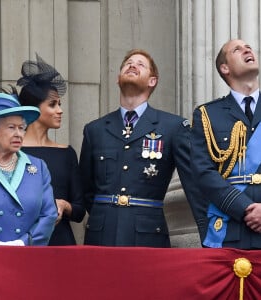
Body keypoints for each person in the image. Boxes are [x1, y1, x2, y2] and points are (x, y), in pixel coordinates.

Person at [79, 49, 196, 247]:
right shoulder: (95, 129)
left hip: (147, 234)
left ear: (152, 81)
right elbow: (86, 188)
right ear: (118, 79)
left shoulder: (173, 127)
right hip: (102, 233)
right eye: (128, 64)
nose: (132, 65)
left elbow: (193, 183)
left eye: (140, 65)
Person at [190, 39, 261, 249]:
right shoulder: (207, 114)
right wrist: (246, 208)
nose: (247, 49)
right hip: (231, 228)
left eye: (248, 46)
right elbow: (203, 172)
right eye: (237, 49)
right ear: (225, 68)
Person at [0, 92, 57, 246]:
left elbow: (49, 215)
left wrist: (23, 242)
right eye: (11, 127)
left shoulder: (38, 167)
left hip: (26, 255)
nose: (19, 134)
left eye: (22, 128)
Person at [14, 53, 86, 245]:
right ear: (33, 109)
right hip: (20, 242)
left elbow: (80, 210)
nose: (60, 110)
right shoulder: (11, 151)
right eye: (53, 104)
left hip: (61, 243)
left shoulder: (66, 152)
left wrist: (63, 205)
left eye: (60, 104)